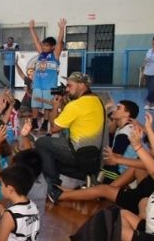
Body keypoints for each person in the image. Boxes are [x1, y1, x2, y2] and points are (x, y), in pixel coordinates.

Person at [35, 72, 105, 203]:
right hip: (95, 156)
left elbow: (54, 128)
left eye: (69, 86)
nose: (67, 89)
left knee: (42, 143)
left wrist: (55, 107)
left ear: (82, 85)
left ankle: (54, 187)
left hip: (78, 152)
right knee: (51, 157)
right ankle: (88, 176)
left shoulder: (76, 105)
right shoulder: (97, 100)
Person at [120, 113, 154, 241]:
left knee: (113, 228)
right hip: (151, 230)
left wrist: (138, 146)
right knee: (122, 215)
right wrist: (149, 129)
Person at [28, 18, 67, 131]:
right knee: (35, 104)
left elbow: (59, 42)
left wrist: (61, 29)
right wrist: (31, 29)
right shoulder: (41, 54)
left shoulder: (55, 55)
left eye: (46, 46)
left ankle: (45, 123)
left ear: (52, 47)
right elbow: (36, 41)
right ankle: (34, 122)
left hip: (49, 86)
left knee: (48, 106)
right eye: (43, 45)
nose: (44, 47)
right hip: (37, 84)